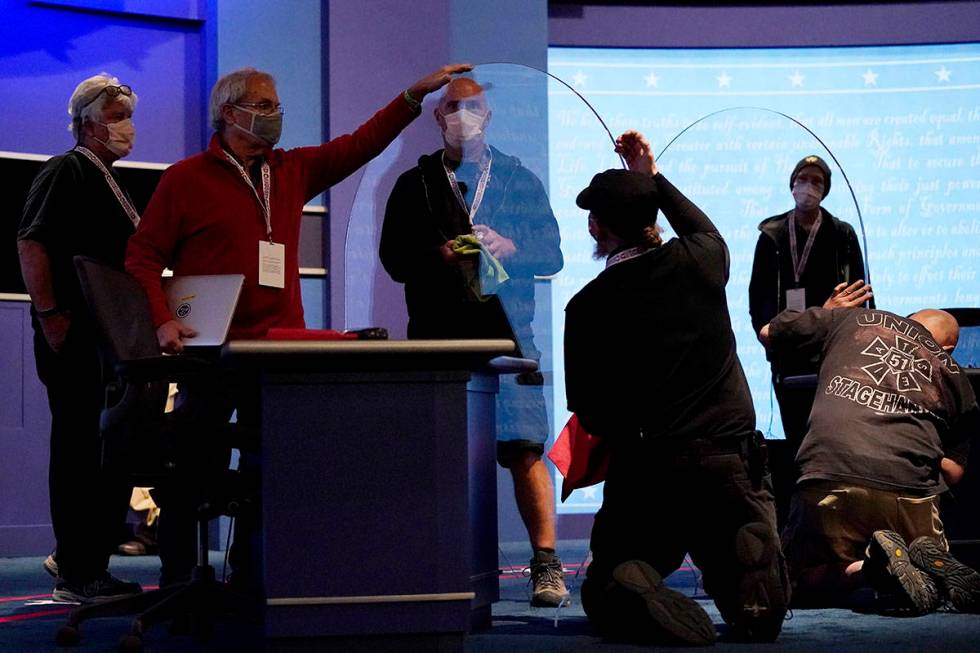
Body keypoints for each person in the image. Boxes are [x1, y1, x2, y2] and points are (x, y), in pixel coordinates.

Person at [125, 64, 471, 587]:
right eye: (263, 106)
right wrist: (162, 320)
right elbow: (142, 257)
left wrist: (410, 96)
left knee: (273, 471)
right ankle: (179, 581)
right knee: (196, 469)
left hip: (279, 351)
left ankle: (250, 580)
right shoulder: (185, 179)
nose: (275, 114)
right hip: (210, 351)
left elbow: (360, 144)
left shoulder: (290, 170)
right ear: (229, 113)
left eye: (276, 104)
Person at [568, 131, 788, 646]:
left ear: (596, 228)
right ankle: (750, 595)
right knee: (736, 555)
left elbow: (590, 411)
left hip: (649, 467)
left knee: (603, 590)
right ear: (652, 223)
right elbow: (698, 224)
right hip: (729, 460)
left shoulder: (587, 306)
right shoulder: (702, 260)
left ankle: (634, 588)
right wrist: (652, 176)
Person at [379, 78, 567, 607]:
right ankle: (437, 563)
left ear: (489, 116)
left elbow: (552, 254)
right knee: (440, 456)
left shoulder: (517, 179)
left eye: (473, 107)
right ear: (438, 120)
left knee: (526, 448)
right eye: (452, 109)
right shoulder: (413, 184)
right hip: (439, 338)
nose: (463, 116)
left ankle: (547, 565)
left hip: (510, 332)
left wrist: (511, 246)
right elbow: (394, 262)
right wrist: (437, 255)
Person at [760, 307, 980, 613]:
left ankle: (872, 567)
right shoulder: (958, 378)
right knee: (921, 560)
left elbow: (770, 332)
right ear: (949, 348)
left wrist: (827, 310)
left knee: (792, 583)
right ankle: (915, 562)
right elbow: (954, 472)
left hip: (830, 476)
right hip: (908, 493)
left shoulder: (851, 319)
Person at [18, 73, 143, 603]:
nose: (126, 127)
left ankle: (82, 557)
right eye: (116, 117)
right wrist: (51, 314)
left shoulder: (109, 179)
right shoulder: (66, 170)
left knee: (104, 449)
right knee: (78, 448)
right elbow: (32, 242)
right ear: (88, 123)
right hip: (73, 333)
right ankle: (77, 573)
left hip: (109, 337)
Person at [749, 155, 872, 449]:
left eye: (817, 181)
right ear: (792, 185)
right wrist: (769, 335)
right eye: (802, 179)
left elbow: (862, 295)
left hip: (832, 354)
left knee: (832, 439)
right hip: (788, 350)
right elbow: (759, 300)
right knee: (797, 440)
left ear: (825, 189)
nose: (808, 186)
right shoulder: (772, 234)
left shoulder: (842, 233)